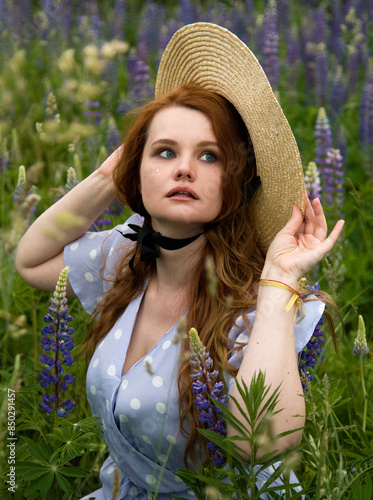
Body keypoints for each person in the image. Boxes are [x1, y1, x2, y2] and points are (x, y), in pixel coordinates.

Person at [15, 23, 344, 499]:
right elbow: (30, 259)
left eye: (210, 156)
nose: (184, 167)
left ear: (237, 182)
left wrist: (281, 281)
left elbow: (265, 443)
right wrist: (111, 172)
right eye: (164, 152)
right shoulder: (126, 254)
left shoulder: (258, 299)